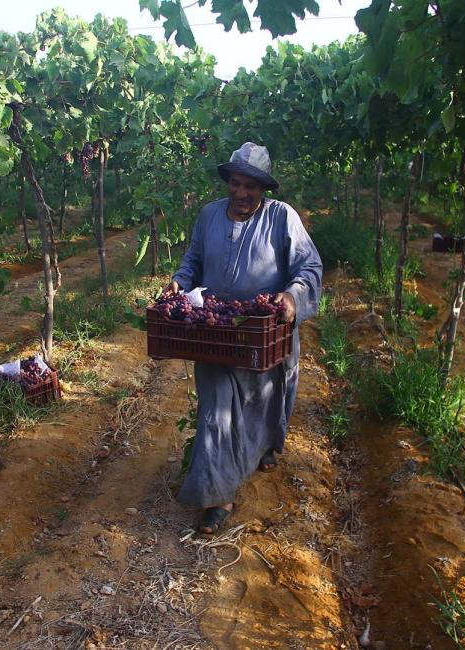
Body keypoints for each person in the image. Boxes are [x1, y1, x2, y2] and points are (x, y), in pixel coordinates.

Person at [164, 142, 323, 535]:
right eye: (236, 184)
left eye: (251, 187)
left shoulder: (282, 218)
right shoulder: (208, 216)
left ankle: (264, 447)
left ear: (264, 189)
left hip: (262, 333)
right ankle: (219, 496)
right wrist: (178, 283)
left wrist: (291, 298)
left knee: (262, 404)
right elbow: (192, 264)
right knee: (217, 412)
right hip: (216, 332)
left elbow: (310, 267)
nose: (241, 194)